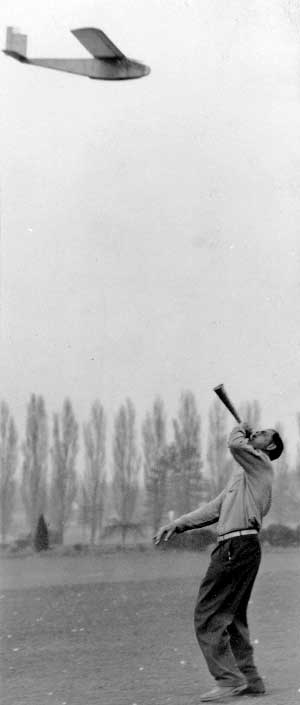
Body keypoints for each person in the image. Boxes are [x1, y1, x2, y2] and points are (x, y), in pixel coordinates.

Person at [153, 422, 284, 703]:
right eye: (256, 431)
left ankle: (228, 681)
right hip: (240, 548)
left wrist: (241, 428)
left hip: (236, 548)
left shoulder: (261, 464)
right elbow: (213, 509)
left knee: (207, 614)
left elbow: (236, 444)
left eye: (262, 434)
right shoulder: (245, 477)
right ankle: (250, 680)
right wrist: (178, 524)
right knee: (233, 617)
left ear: (270, 447)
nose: (256, 434)